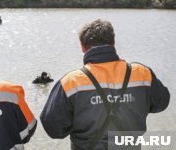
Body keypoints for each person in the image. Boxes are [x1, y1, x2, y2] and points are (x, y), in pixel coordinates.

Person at [40, 19, 170, 150]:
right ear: (113, 43)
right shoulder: (142, 73)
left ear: (82, 47)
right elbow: (162, 104)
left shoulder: (71, 82)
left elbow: (54, 129)